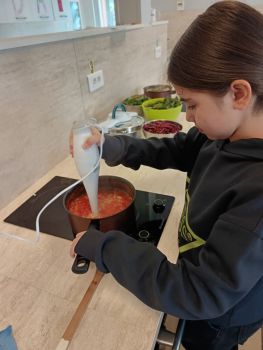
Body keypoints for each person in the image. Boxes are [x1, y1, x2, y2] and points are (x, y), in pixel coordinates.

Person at [70, 1, 263, 349]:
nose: (188, 117)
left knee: (203, 341)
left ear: (238, 93)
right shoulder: (223, 132)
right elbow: (178, 149)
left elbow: (198, 292)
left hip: (222, 314)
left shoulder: (257, 193)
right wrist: (112, 147)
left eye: (192, 104)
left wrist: (106, 247)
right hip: (202, 273)